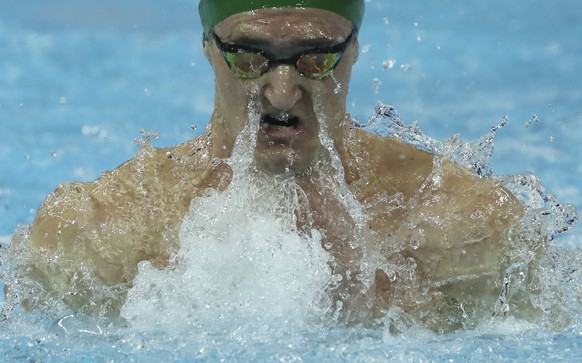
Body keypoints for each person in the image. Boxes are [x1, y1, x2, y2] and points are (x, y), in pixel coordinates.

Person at [7, 0, 529, 330]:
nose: (280, 92)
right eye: (249, 56)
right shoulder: (105, 229)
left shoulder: (455, 221)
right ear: (209, 49)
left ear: (354, 53)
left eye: (316, 57)